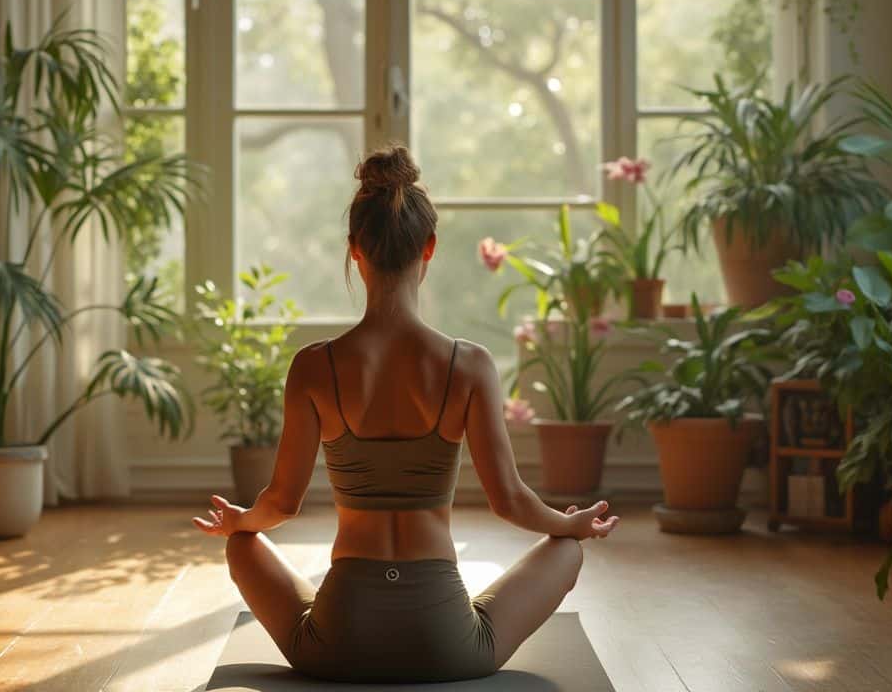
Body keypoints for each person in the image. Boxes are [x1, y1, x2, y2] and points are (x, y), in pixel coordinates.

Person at [191, 143, 619, 683]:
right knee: (567, 552)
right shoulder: (471, 365)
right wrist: (569, 524)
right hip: (446, 646)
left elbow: (280, 503)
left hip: (337, 643)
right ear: (429, 247)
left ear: (354, 249)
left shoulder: (312, 366)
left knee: (243, 546)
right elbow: (509, 501)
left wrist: (239, 521)